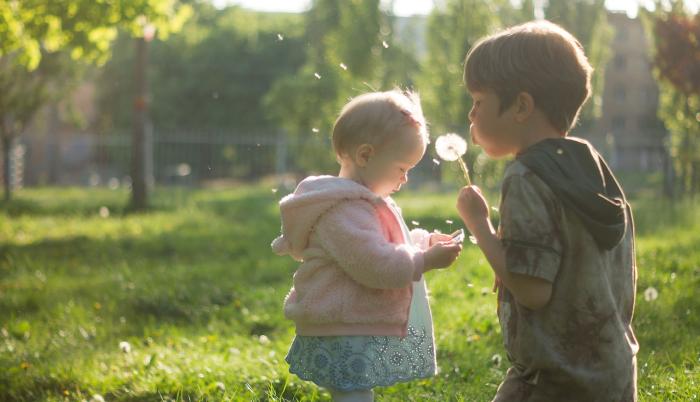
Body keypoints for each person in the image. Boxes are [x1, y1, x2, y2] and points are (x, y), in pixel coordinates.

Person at [456, 21, 638, 402]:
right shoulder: (591, 166)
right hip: (612, 373)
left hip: (553, 381)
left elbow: (533, 291)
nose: (471, 115)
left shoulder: (525, 177)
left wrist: (480, 226)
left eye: (478, 101)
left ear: (521, 105)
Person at [272, 89, 463, 402]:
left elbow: (386, 242)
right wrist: (424, 261)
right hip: (342, 321)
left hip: (350, 318)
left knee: (355, 390)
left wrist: (423, 242)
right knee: (353, 392)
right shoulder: (342, 210)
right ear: (365, 156)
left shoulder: (361, 204)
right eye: (402, 168)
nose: (405, 180)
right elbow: (373, 262)